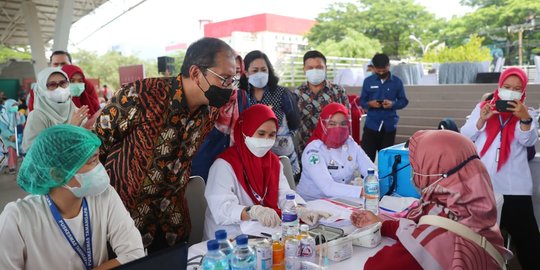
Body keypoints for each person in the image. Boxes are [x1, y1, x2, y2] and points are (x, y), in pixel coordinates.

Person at [95, 37, 236, 253]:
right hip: (125, 222)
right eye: (224, 79)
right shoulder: (140, 95)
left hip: (172, 224)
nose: (229, 87)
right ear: (196, 73)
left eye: (233, 80)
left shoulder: (210, 111)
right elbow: (95, 145)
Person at [351, 130, 511, 269]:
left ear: (436, 172)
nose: (413, 173)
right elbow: (418, 229)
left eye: (416, 166)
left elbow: (377, 266)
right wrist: (382, 224)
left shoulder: (437, 235)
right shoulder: (477, 210)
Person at [0, 124, 145, 269]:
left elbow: (134, 253)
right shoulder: (17, 218)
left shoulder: (105, 196)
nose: (100, 167)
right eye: (92, 161)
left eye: (98, 159)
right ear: (57, 174)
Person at [203, 104, 330, 239]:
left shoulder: (274, 162)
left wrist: (299, 209)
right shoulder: (224, 165)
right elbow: (221, 209)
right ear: (245, 131)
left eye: (271, 135)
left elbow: (284, 194)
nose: (266, 140)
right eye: (261, 133)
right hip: (228, 238)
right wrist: (252, 211)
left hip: (263, 234)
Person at [461, 67, 540, 269]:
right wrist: (481, 119)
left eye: (516, 88)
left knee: (529, 243)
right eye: (507, 87)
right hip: (484, 188)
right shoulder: (483, 108)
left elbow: (528, 140)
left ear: (523, 91)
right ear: (499, 86)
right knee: (478, 241)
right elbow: (465, 137)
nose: (511, 91)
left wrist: (524, 118)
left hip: (515, 189)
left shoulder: (528, 113)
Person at [296, 103, 374, 201]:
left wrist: (373, 184)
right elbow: (328, 187)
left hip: (340, 201)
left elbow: (371, 170)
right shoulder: (313, 150)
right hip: (311, 203)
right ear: (323, 125)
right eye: (332, 124)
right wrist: (361, 191)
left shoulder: (350, 144)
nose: (338, 128)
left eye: (343, 124)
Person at [239, 50, 301, 174]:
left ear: (269, 71)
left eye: (263, 70)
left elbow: (294, 121)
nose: (260, 74)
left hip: (280, 152)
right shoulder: (241, 95)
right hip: (251, 153)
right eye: (255, 71)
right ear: (246, 73)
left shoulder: (281, 93)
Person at [191, 54, 250, 181]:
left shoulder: (242, 97)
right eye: (227, 74)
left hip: (232, 164)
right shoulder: (205, 96)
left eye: (237, 72)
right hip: (203, 164)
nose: (232, 78)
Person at [294, 50, 350, 155]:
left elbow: (347, 121)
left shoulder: (338, 91)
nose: (314, 71)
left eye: (319, 67)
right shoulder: (297, 94)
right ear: (304, 70)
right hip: (307, 151)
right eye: (310, 68)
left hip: (334, 151)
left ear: (326, 69)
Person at [22, 67, 89, 152]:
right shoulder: (37, 116)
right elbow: (33, 151)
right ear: (41, 90)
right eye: (52, 85)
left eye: (63, 83)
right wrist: (70, 128)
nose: (59, 88)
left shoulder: (77, 112)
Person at [360, 53, 408, 162]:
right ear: (373, 68)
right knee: (366, 158)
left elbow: (404, 101)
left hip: (389, 126)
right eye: (378, 69)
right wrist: (370, 104)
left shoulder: (397, 82)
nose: (381, 72)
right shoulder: (368, 81)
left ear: (388, 66)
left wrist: (392, 104)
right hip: (371, 125)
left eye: (383, 69)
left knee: (386, 160)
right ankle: (367, 178)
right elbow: (362, 101)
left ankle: (385, 179)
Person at [0, 98, 25, 174]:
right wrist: (10, 135)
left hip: (18, 135)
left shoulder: (18, 114)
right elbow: (2, 128)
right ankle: (12, 167)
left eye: (16, 105)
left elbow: (22, 124)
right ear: (8, 106)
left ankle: (25, 166)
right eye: (13, 105)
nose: (15, 107)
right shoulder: (2, 117)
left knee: (24, 148)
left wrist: (21, 117)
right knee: (11, 149)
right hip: (8, 138)